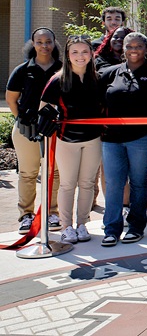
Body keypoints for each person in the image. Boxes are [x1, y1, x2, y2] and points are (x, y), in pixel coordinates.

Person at [98, 32, 147, 246]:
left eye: (139, 46)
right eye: (129, 46)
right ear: (123, 49)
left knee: (138, 182)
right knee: (114, 183)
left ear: (146, 50)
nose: (134, 50)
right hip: (111, 138)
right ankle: (111, 228)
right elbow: (95, 102)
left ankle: (136, 226)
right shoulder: (109, 74)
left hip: (143, 138)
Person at [41, 36, 102, 244]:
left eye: (84, 51)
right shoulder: (58, 79)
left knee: (87, 183)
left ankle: (82, 223)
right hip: (67, 139)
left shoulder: (98, 78)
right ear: (67, 55)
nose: (80, 56)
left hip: (93, 139)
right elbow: (44, 108)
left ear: (91, 53)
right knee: (68, 184)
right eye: (75, 52)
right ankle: (67, 226)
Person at [6, 28, 62, 234]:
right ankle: (26, 215)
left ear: (54, 43)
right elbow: (12, 99)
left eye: (48, 41)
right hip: (26, 130)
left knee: (55, 174)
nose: (44, 46)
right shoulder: (22, 70)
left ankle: (52, 212)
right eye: (40, 42)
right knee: (28, 174)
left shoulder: (62, 69)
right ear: (33, 44)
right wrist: (23, 119)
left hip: (55, 131)